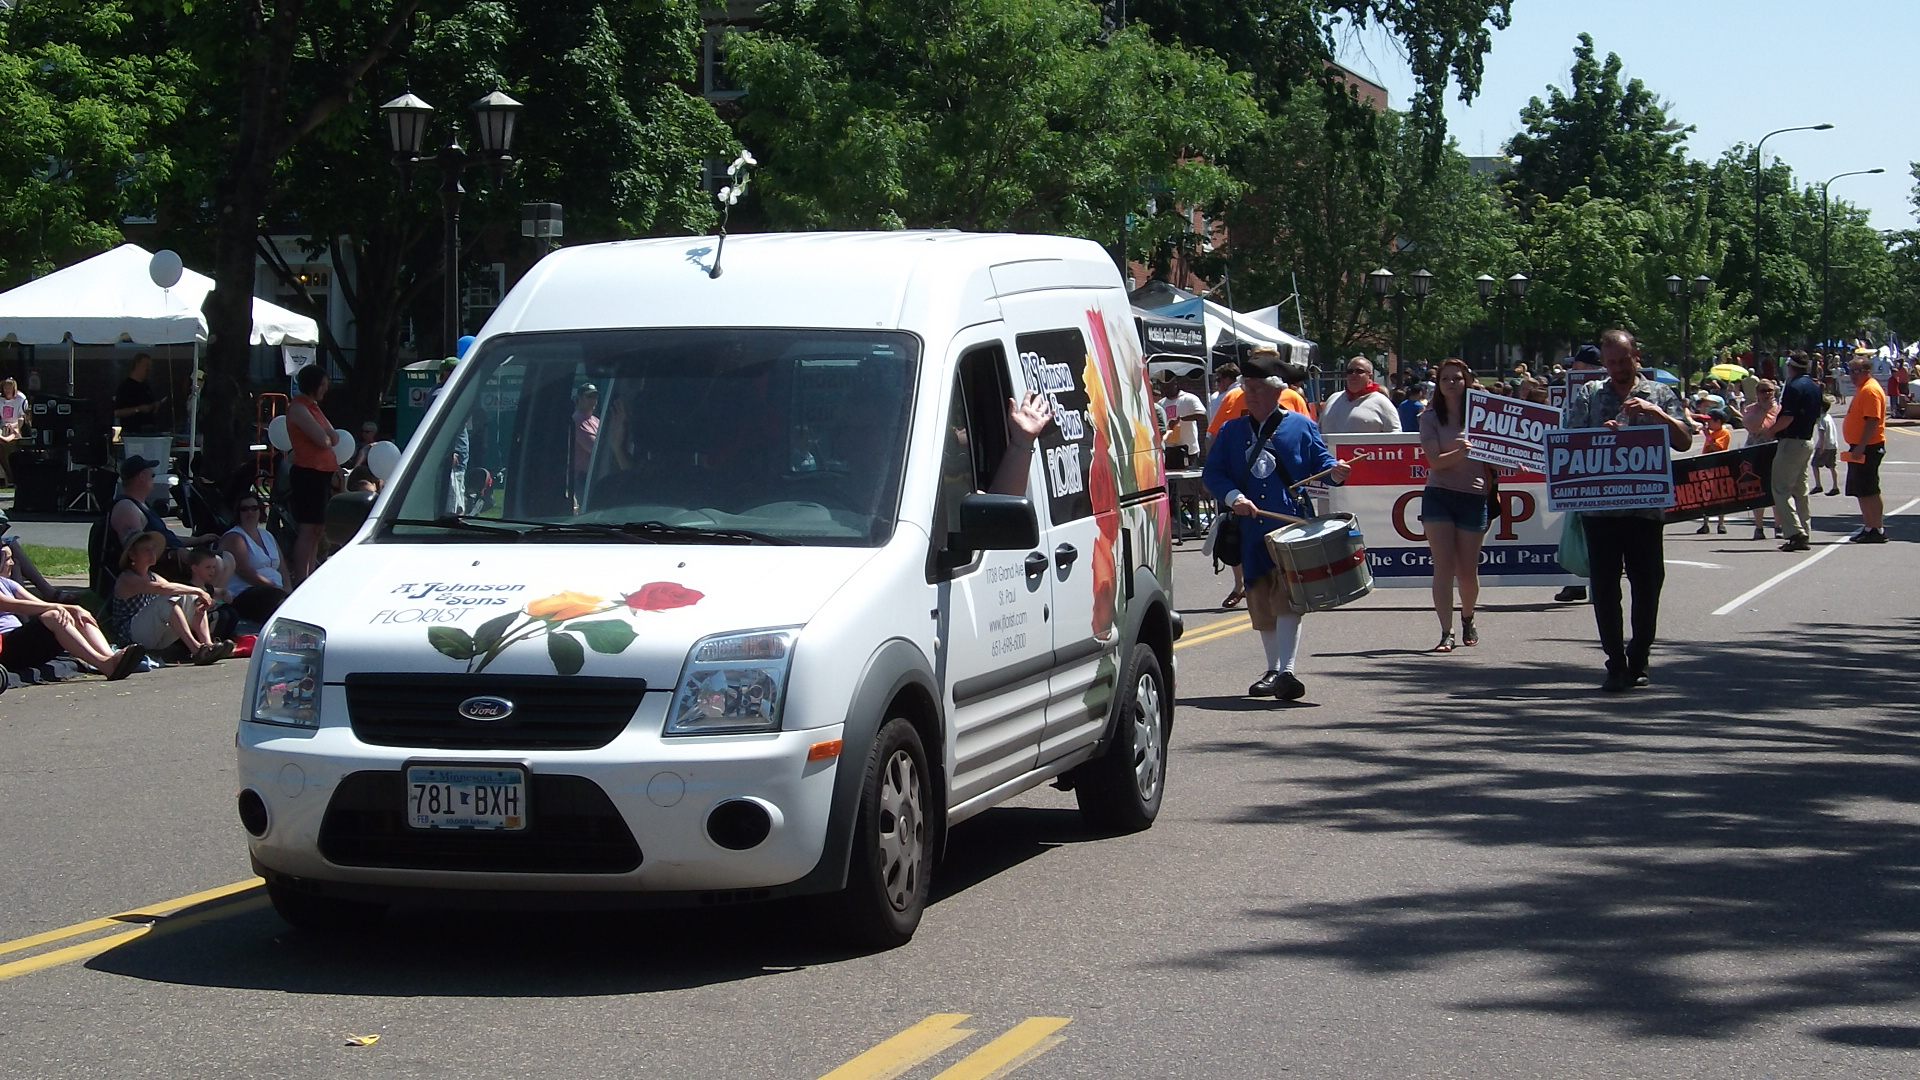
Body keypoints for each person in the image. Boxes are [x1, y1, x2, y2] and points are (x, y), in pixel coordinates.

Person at [1202, 350, 1353, 701]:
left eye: (1256, 388)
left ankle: (1286, 671)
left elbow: (1323, 464)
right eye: (1246, 387)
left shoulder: (1301, 426)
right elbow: (1214, 473)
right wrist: (1233, 498)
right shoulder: (1231, 429)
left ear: (1275, 391)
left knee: (1287, 597)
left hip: (1290, 523)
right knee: (1259, 596)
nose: (1249, 394)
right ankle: (1272, 668)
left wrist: (1336, 472)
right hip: (1250, 526)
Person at [1563, 329, 1694, 692]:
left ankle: (1639, 656)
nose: (1619, 368)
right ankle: (1614, 662)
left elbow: (1684, 441)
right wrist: (1597, 435)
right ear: (1604, 363)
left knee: (1648, 585)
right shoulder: (1590, 395)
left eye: (1624, 360)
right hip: (1600, 510)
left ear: (1637, 356)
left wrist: (1658, 414)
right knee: (1605, 589)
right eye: (1612, 362)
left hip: (1645, 510)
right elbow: (1568, 442)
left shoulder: (1660, 393)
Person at [1418, 358, 1494, 651]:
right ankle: (1446, 631)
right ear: (1438, 384)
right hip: (1439, 494)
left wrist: (1512, 458)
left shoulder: (1481, 416)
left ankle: (1468, 615)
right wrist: (1461, 451)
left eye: (1458, 379)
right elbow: (1435, 461)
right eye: (1446, 378)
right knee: (1443, 567)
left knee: (1467, 570)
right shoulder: (1430, 417)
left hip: (1473, 495)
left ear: (1467, 382)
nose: (1451, 383)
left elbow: (1496, 456)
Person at [0, 540, 145, 680]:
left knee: (76, 613)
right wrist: (58, 607)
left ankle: (111, 659)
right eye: (8, 559)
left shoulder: (8, 584)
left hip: (23, 644)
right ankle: (104, 665)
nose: (12, 563)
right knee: (54, 615)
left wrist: (72, 610)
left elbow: (38, 605)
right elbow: (15, 605)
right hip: (5, 648)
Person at [105, 456, 231, 588]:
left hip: (175, 556)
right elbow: (135, 547)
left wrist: (197, 540)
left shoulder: (143, 505)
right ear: (142, 477)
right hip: (167, 563)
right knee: (218, 564)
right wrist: (172, 553)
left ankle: (211, 603)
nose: (153, 479)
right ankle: (205, 603)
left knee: (228, 558)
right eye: (152, 475)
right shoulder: (126, 507)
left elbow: (166, 537)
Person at [110, 531, 231, 664]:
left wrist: (203, 596)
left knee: (191, 599)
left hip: (154, 634)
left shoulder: (153, 576)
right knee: (166, 600)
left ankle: (208, 645)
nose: (152, 553)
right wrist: (198, 590)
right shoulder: (127, 578)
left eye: (153, 549)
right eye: (146, 550)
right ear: (132, 555)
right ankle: (196, 650)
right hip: (130, 636)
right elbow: (162, 589)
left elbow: (175, 589)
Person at [1554, 343, 1604, 604]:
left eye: (1576, 364)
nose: (1571, 368)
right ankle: (1576, 583)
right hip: (1577, 468)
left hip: (1595, 470)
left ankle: (1596, 586)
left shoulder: (1600, 391)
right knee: (1576, 531)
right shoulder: (1573, 392)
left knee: (1594, 531)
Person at [285, 363, 338, 585]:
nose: (325, 389)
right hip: (308, 473)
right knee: (307, 528)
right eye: (323, 385)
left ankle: (311, 570)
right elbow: (323, 440)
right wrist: (325, 435)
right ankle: (302, 577)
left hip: (323, 474)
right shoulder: (298, 408)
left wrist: (326, 435)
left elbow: (334, 437)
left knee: (318, 528)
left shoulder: (314, 407)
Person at [1765, 356, 1822, 551]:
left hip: (1791, 441)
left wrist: (1771, 431)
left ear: (1791, 367)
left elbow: (1788, 416)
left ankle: (1795, 532)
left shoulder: (1794, 386)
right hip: (1806, 440)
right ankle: (1805, 529)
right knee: (1800, 490)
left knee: (1780, 488)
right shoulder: (1814, 386)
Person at [218, 494, 289, 625]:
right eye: (244, 509)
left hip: (275, 590)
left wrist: (289, 590)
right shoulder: (234, 537)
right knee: (278, 600)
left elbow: (282, 567)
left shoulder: (267, 535)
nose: (250, 512)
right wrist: (274, 587)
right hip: (245, 593)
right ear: (238, 513)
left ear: (260, 510)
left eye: (254, 508)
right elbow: (243, 570)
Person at [1843, 355, 1888, 543]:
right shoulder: (1863, 389)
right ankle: (1869, 526)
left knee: (1869, 489)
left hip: (1868, 447)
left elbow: (1873, 420)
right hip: (1860, 446)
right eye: (1851, 371)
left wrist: (1861, 445)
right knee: (1861, 489)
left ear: (1868, 371)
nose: (1853, 375)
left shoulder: (1870, 390)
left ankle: (1876, 528)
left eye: (1858, 371)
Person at [1741, 380, 1780, 541]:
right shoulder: (1751, 410)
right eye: (1763, 391)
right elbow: (1752, 427)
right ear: (1757, 393)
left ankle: (1778, 526)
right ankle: (1759, 527)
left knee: (1777, 490)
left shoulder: (1780, 410)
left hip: (1775, 453)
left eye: (1770, 391)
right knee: (1758, 491)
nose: (1767, 394)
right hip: (1755, 453)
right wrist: (1763, 412)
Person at [1319, 357, 1400, 433]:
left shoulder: (1382, 402)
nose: (1353, 375)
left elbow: (1396, 436)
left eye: (1359, 371)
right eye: (1350, 372)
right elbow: (1319, 430)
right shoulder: (1333, 399)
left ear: (1370, 377)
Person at [1155, 375, 1206, 470]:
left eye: (1168, 386)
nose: (1166, 389)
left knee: (1188, 482)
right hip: (1169, 449)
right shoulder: (1161, 404)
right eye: (1163, 386)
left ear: (1175, 384)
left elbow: (1202, 413)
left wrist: (1181, 419)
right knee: (1172, 482)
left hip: (1188, 450)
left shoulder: (1189, 398)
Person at [1695, 410, 1731, 535]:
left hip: (1718, 465)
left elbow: (1717, 448)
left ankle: (1721, 524)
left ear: (1718, 422)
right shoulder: (1713, 433)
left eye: (1710, 420)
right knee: (1705, 494)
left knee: (1720, 495)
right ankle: (1705, 523)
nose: (1707, 423)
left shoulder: (1723, 433)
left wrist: (1708, 436)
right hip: (1708, 464)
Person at [112, 353, 166, 434]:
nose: (149, 369)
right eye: (147, 365)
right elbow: (117, 412)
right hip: (132, 431)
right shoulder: (125, 386)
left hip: (148, 431)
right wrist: (138, 409)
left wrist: (156, 406)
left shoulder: (146, 386)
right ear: (137, 365)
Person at [570, 383, 601, 493]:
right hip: (583, 480)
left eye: (595, 397)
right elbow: (597, 450)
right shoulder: (577, 421)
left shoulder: (596, 420)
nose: (593, 400)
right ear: (579, 398)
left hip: (596, 477)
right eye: (589, 397)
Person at [0, 375, 28, 487]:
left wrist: (14, 425)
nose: (7, 389)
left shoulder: (21, 398)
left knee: (11, 436)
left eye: (10, 387)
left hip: (16, 425)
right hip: (3, 425)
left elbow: (23, 417)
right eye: (5, 387)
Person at [1811, 397, 1841, 496]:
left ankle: (1818, 485)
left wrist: (1821, 447)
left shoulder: (1821, 419)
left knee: (1814, 465)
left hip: (1824, 445)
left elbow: (1822, 433)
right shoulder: (1829, 417)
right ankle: (1835, 486)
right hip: (1832, 444)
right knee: (1832, 466)